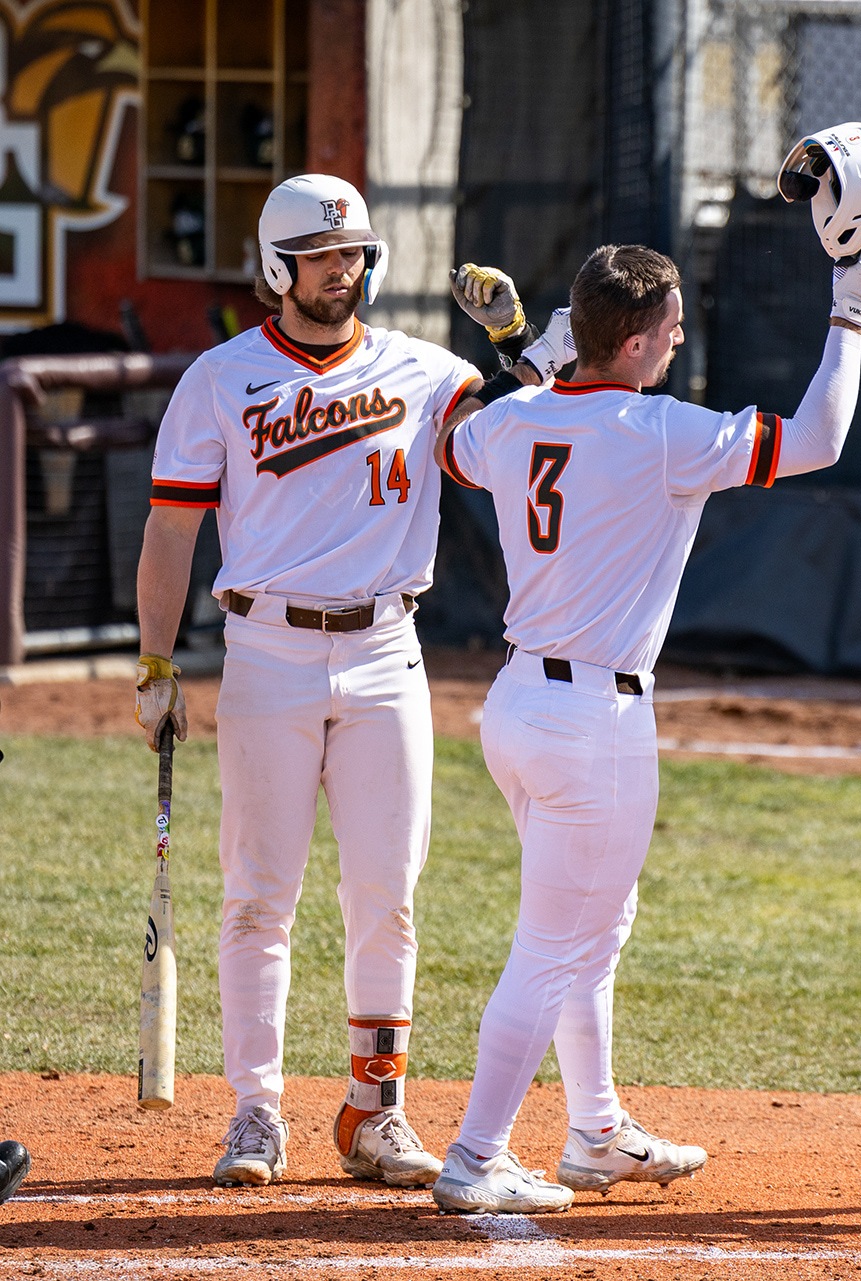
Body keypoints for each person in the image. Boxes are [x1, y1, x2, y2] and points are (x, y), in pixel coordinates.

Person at [426, 231, 861, 1213]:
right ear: (632, 345)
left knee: (595, 927)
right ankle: (476, 1155)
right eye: (668, 329)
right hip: (591, 719)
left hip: (518, 704)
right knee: (556, 943)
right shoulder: (662, 431)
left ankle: (594, 1131)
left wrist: (524, 349)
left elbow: (455, 445)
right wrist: (849, 318)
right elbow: (819, 440)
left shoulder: (519, 420)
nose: (680, 341)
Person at [135, 173, 568, 1189]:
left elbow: (520, 438)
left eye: (356, 253)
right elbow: (169, 528)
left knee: (387, 894)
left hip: (385, 654)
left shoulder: (428, 371)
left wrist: (514, 349)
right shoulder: (221, 378)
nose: (346, 269)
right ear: (278, 269)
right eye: (326, 256)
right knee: (258, 897)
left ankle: (376, 1114)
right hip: (266, 655)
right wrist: (155, 661)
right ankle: (257, 1112)